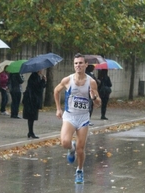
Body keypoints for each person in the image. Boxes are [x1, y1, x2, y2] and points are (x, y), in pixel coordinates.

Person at [54, 53, 101, 183]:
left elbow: (98, 103)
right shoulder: (67, 80)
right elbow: (56, 91)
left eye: (80, 63)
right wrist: (58, 109)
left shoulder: (91, 83)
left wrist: (94, 97)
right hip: (70, 116)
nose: (78, 65)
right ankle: (71, 148)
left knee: (81, 149)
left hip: (83, 118)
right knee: (64, 142)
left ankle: (79, 171)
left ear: (86, 64)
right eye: (76, 63)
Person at [22, 70, 46, 138]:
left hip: (33, 100)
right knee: (31, 116)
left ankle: (30, 132)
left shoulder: (36, 76)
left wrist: (43, 80)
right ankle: (30, 132)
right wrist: (43, 80)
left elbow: (41, 87)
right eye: (41, 69)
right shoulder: (34, 77)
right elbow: (38, 88)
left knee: (32, 117)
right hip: (32, 100)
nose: (42, 70)